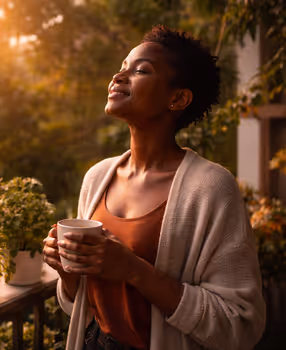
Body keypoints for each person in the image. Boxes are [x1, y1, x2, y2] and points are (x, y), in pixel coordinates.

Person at [43, 25, 266, 350]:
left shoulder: (212, 187)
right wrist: (67, 270)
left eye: (140, 70)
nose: (119, 77)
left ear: (177, 98)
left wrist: (133, 270)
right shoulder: (97, 178)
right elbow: (85, 304)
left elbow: (239, 323)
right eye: (121, 68)